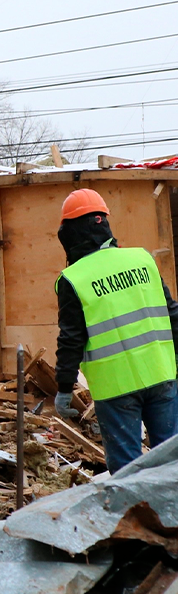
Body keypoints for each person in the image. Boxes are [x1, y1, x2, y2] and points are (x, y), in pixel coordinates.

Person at [54, 188, 178, 473]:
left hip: (116, 389)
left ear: (69, 233)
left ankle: (135, 519)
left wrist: (63, 387)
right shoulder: (142, 259)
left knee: (127, 474)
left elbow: (71, 338)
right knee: (171, 466)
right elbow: (173, 314)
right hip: (162, 376)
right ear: (104, 222)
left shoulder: (73, 279)